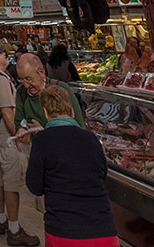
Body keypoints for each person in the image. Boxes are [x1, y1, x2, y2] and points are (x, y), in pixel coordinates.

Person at [25, 85, 119, 247]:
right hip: (104, 231)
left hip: (64, 231)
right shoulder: (91, 139)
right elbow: (102, 175)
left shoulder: (42, 140)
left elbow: (35, 186)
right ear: (72, 112)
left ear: (46, 113)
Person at [0, 45, 38, 247]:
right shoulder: (0, 79)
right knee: (12, 183)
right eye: (2, 54)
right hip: (7, 138)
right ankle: (14, 230)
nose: (5, 55)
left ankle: (0, 220)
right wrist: (17, 137)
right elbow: (7, 113)